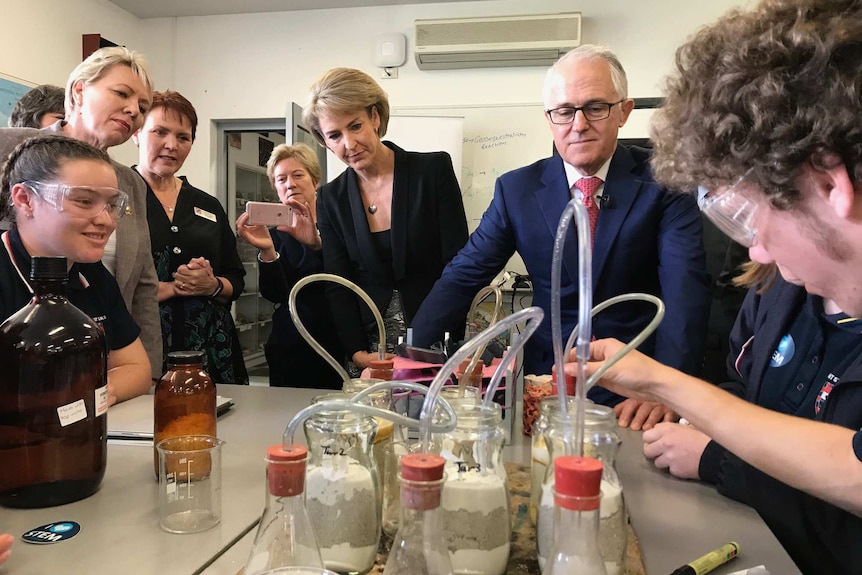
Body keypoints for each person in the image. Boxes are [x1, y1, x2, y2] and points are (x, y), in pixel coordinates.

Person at [582, 1, 862, 572]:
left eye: (755, 219)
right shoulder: (784, 292)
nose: (756, 252)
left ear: (831, 183)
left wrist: (681, 407)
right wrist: (667, 391)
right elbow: (748, 391)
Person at [410, 45, 711, 425]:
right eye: (565, 111)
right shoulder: (516, 191)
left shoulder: (666, 182)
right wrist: (412, 361)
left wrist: (671, 387)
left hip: (638, 390)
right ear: (550, 119)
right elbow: (462, 275)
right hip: (549, 386)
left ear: (624, 111)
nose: (579, 124)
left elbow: (686, 288)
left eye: (595, 107)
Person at [0, 46, 162, 382]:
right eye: (122, 93)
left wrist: (147, 379)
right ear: (79, 90)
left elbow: (144, 284)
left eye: (143, 107)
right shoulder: (11, 147)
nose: (133, 110)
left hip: (101, 346)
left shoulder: (131, 181)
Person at [301, 67, 468, 376]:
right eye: (335, 135)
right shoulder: (330, 198)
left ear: (375, 117)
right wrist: (356, 351)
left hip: (435, 336)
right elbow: (339, 283)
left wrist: (428, 338)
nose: (348, 144)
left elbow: (457, 264)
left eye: (355, 126)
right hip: (371, 347)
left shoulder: (432, 171)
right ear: (324, 141)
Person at [0, 135, 151, 404]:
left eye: (112, 204)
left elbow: (137, 369)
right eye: (83, 201)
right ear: (25, 199)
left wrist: (85, 399)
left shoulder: (91, 275)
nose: (105, 220)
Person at [132, 90, 247, 384]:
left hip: (211, 350)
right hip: (141, 347)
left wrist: (212, 285)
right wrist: (171, 288)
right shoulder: (119, 197)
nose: (171, 145)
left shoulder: (207, 204)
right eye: (160, 132)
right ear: (136, 134)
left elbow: (235, 279)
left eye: (183, 137)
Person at [236, 143, 344, 388]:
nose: (290, 184)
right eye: (281, 179)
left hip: (338, 340)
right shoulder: (275, 234)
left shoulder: (337, 225)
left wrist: (317, 245)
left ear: (315, 181)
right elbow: (275, 293)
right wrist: (267, 251)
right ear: (275, 188)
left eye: (298, 175)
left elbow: (345, 280)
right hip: (291, 343)